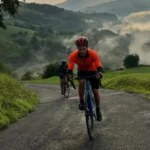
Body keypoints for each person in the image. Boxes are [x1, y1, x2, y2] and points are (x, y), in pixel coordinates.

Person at [67, 37, 103, 121]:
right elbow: (70, 68)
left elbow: (99, 66)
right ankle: (82, 101)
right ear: (77, 48)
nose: (82, 51)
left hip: (93, 71)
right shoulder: (73, 55)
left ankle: (98, 109)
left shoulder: (93, 54)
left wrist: (100, 73)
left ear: (87, 47)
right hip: (82, 71)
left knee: (95, 91)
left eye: (83, 49)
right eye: (80, 49)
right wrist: (69, 75)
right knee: (82, 82)